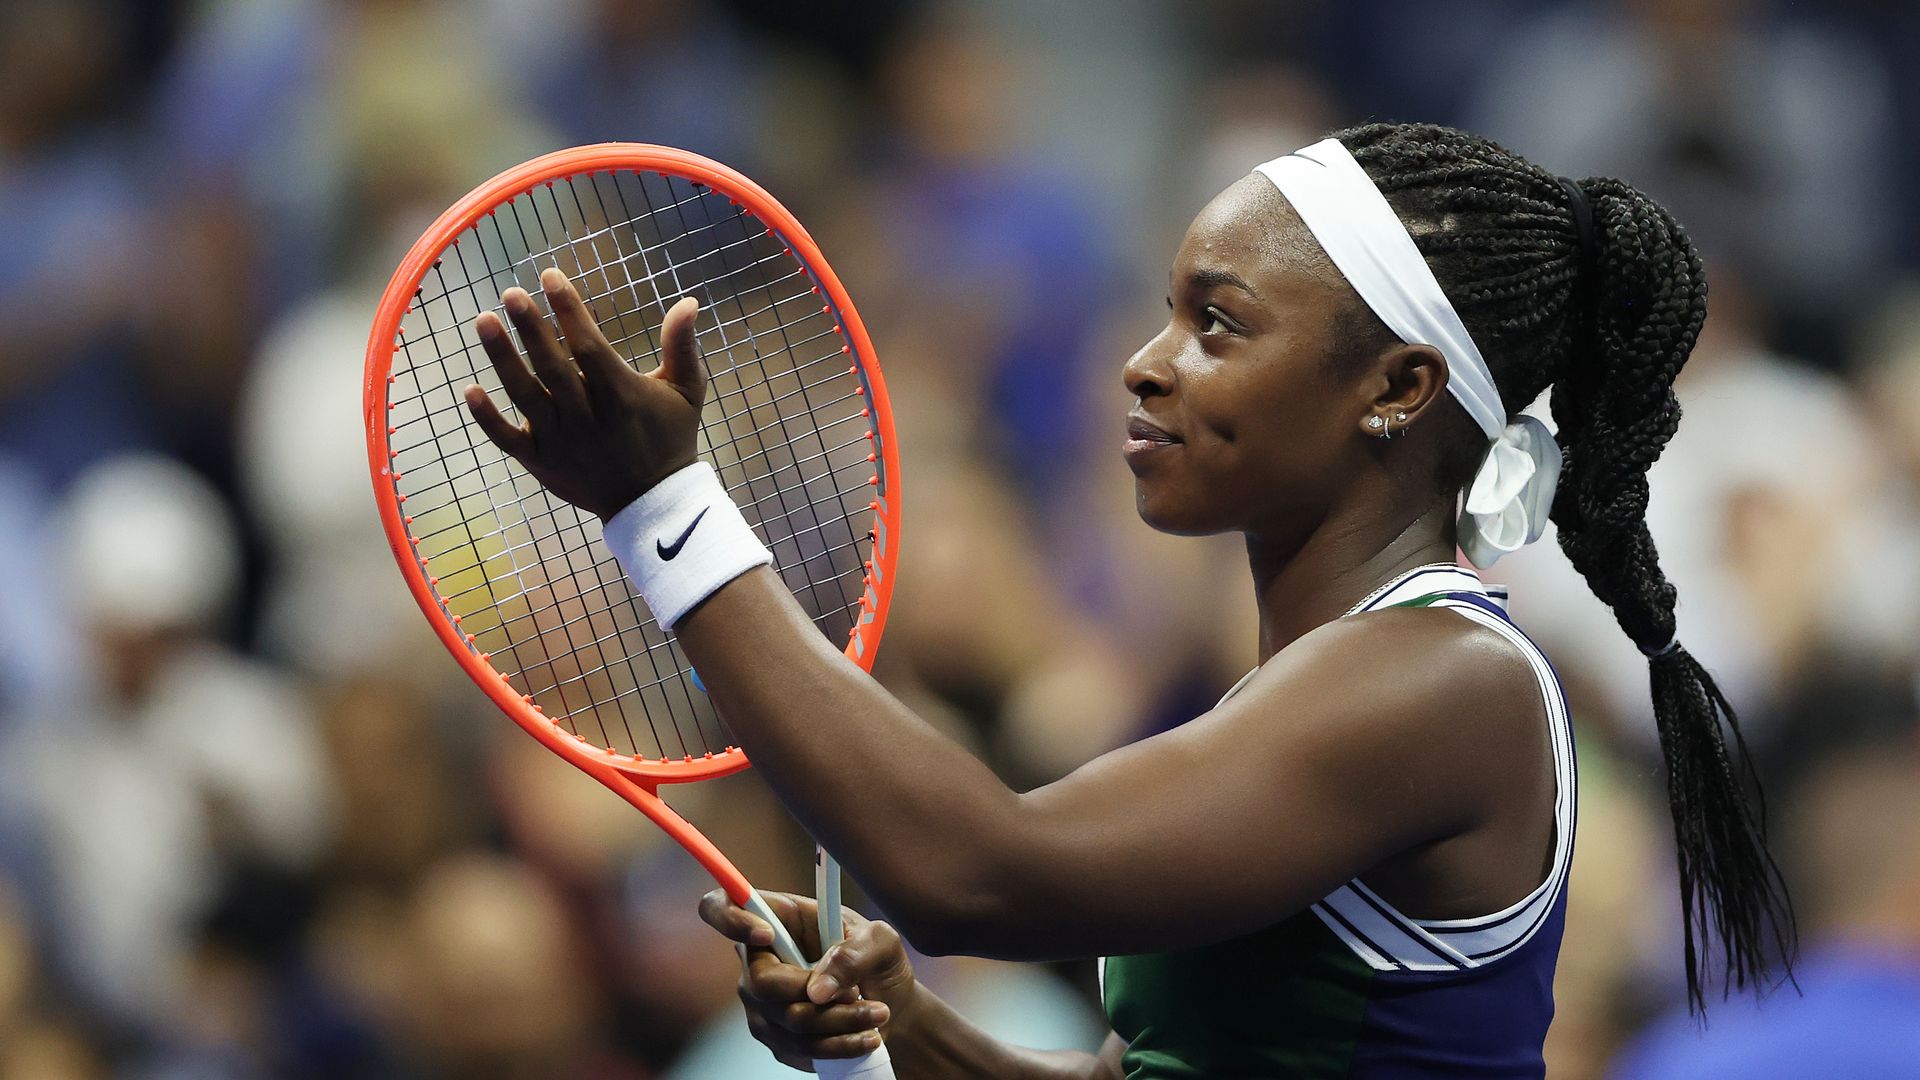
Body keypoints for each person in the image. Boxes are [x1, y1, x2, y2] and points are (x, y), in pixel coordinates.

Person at [459, 122, 1793, 1078]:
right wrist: (916, 1033)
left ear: (1396, 389)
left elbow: (977, 876)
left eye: (1219, 324)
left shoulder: (1447, 684)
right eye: (1165, 314)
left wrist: (666, 511)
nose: (1147, 367)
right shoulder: (1319, 691)